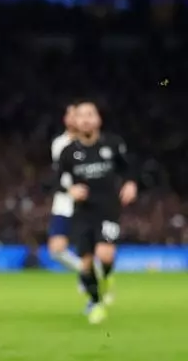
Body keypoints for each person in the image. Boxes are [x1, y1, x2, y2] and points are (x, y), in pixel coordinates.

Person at [55, 101, 137, 324]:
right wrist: (69, 189)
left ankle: (108, 276)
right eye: (81, 115)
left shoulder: (112, 144)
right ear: (75, 121)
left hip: (109, 209)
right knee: (86, 263)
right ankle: (97, 302)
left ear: (98, 119)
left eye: (90, 114)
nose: (86, 119)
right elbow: (54, 180)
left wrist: (130, 183)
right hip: (82, 213)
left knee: (105, 254)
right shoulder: (68, 152)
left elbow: (128, 168)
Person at [47, 105, 85, 276]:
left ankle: (94, 283)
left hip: (87, 200)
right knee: (56, 250)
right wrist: (68, 189)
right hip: (64, 200)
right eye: (69, 114)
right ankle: (88, 273)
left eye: (76, 114)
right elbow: (58, 175)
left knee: (89, 248)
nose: (72, 118)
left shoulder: (90, 143)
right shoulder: (59, 143)